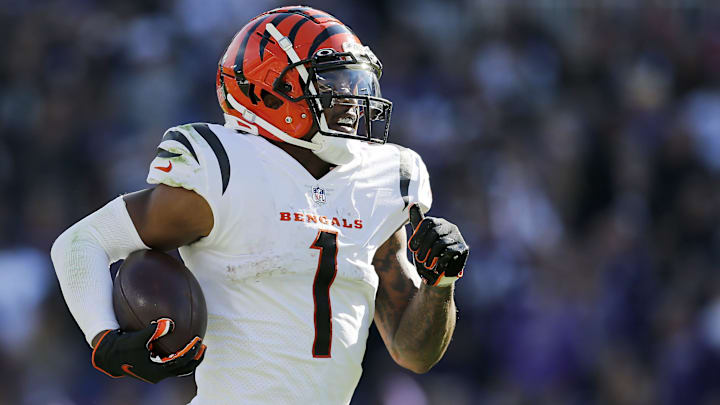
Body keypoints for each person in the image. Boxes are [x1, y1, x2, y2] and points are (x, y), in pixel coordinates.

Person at [50, 6, 469, 404]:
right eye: (333, 85)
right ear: (272, 91)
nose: (351, 100)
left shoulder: (382, 180)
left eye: (354, 84)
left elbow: (414, 353)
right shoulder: (226, 171)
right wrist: (103, 337)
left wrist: (440, 284)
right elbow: (82, 241)